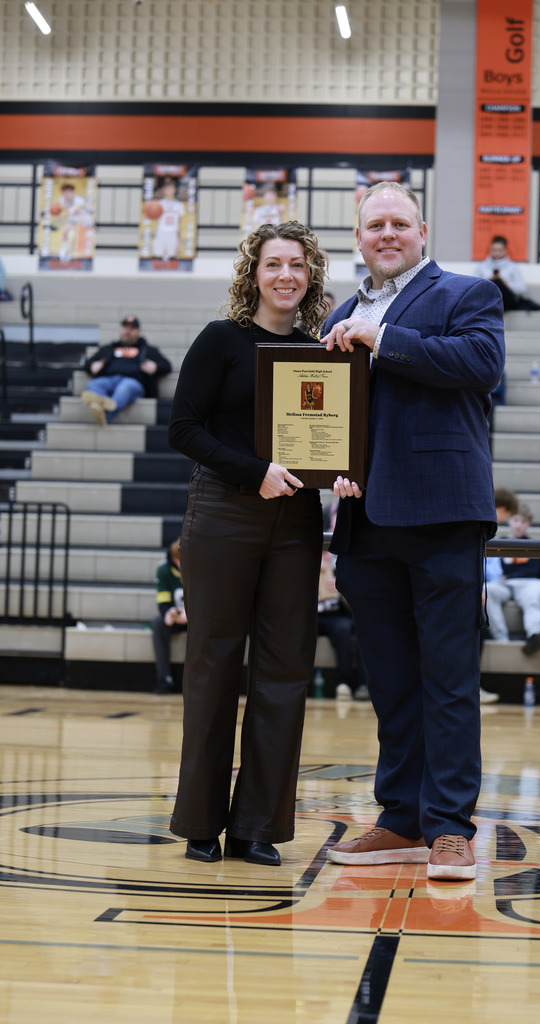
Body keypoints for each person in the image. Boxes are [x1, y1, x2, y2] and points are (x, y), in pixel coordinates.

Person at [321, 180, 505, 881]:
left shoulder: (467, 294)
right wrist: (327, 467)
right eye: (375, 225)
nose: (387, 234)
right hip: (364, 516)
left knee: (448, 680)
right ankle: (399, 815)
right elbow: (332, 414)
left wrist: (385, 336)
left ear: (422, 231)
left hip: (441, 512)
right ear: (359, 239)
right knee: (391, 680)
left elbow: (480, 367)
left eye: (399, 223)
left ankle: (450, 827)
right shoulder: (339, 311)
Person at [167, 220, 328, 866]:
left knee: (285, 670)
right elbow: (182, 428)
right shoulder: (220, 341)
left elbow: (333, 441)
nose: (285, 275)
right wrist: (253, 470)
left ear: (310, 276)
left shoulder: (323, 354)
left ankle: (257, 825)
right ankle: (201, 821)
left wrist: (342, 471)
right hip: (222, 514)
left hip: (295, 524)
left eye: (297, 264)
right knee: (214, 667)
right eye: (273, 264)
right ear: (253, 274)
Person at [318, 502, 370, 702]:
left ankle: (346, 684)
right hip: (309, 612)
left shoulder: (345, 556)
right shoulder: (309, 552)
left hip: (337, 612)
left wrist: (339, 590)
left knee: (347, 628)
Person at [484, 503, 540, 654]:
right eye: (516, 520)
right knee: (487, 590)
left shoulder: (534, 544)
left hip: (528, 583)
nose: (519, 525)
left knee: (534, 593)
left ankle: (535, 634)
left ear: (529, 524)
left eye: (523, 521)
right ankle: (501, 639)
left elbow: (534, 570)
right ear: (509, 520)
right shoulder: (497, 543)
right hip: (504, 583)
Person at [81, 315, 171, 425]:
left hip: (133, 381)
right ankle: (104, 406)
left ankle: (105, 414)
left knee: (125, 387)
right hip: (108, 379)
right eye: (125, 327)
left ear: (138, 332)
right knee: (93, 384)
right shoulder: (109, 348)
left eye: (132, 328)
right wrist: (92, 366)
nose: (127, 332)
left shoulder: (148, 350)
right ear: (121, 329)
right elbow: (87, 363)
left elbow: (167, 365)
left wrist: (155, 367)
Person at [479, 486, 520, 704]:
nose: (506, 519)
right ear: (502, 508)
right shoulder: (481, 526)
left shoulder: (487, 529)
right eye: (507, 515)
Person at [475, 236, 540, 312]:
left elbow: (522, 289)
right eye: (494, 250)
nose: (496, 253)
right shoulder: (482, 267)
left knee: (498, 282)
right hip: (488, 300)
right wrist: (487, 282)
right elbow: (473, 288)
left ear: (505, 250)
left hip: (506, 300)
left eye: (499, 250)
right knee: (495, 283)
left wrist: (506, 284)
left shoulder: (512, 267)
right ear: (490, 250)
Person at [151, 538, 187, 694]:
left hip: (199, 618)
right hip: (178, 617)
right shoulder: (164, 569)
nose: (178, 562)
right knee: (158, 623)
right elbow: (163, 601)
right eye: (176, 559)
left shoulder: (202, 569)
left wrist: (191, 614)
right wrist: (170, 613)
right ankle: (164, 678)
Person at [152, 177, 185, 261]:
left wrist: (179, 242)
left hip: (172, 234)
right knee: (157, 258)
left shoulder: (179, 205)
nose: (169, 190)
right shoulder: (159, 204)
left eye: (171, 188)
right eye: (167, 188)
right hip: (161, 233)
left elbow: (180, 223)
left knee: (172, 259)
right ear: (163, 190)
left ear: (175, 190)